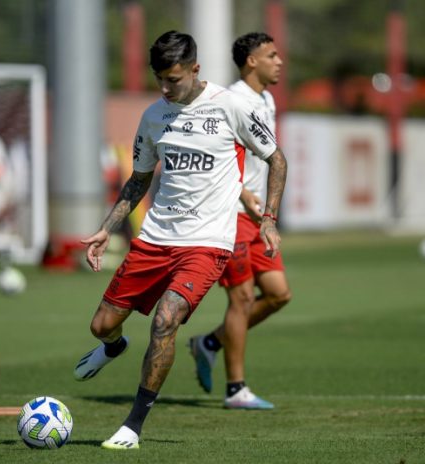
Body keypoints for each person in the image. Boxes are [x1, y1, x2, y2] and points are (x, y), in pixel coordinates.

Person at [72, 30, 287, 450]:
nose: (166, 88)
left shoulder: (231, 106)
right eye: (160, 80)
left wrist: (270, 219)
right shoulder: (154, 115)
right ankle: (114, 348)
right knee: (101, 326)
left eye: (174, 79)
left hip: (207, 243)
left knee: (166, 320)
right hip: (155, 239)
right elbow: (138, 180)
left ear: (195, 70)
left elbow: (275, 158)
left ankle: (132, 426)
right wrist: (106, 228)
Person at [187, 32, 291, 410]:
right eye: (272, 55)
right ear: (252, 61)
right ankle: (236, 390)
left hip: (256, 217)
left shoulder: (266, 99)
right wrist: (242, 192)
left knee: (279, 294)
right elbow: (212, 154)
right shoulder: (230, 101)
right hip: (230, 214)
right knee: (243, 297)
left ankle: (209, 342)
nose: (279, 61)